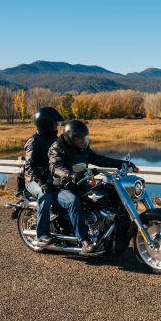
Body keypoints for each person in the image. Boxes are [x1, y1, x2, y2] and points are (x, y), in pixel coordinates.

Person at [48, 119, 135, 254]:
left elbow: (98, 159)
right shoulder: (57, 148)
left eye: (84, 138)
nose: (83, 141)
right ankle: (84, 241)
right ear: (70, 138)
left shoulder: (82, 149)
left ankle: (111, 234)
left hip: (80, 184)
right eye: (80, 138)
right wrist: (69, 174)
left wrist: (121, 163)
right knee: (73, 202)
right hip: (61, 187)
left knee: (106, 196)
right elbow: (56, 166)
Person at [24, 107, 64, 246]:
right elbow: (29, 166)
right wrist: (42, 183)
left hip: (50, 178)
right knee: (45, 195)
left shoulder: (55, 139)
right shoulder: (34, 141)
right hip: (33, 180)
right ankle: (42, 235)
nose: (56, 125)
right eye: (54, 123)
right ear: (45, 123)